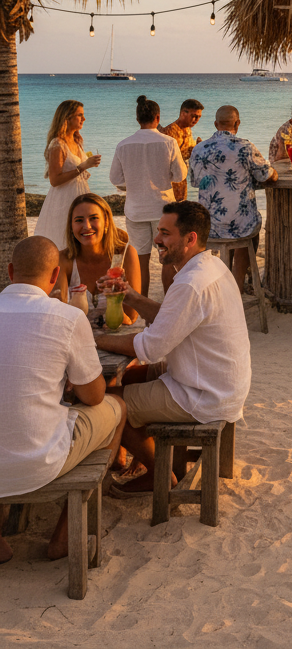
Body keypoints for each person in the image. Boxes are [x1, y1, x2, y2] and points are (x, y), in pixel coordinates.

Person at [94, 202, 251, 494]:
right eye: (158, 232)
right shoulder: (211, 265)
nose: (156, 240)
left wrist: (93, 339)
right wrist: (130, 296)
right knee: (128, 378)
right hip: (218, 379)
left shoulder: (191, 283)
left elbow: (149, 348)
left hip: (205, 394)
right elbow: (172, 319)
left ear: (190, 239)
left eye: (165, 233)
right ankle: (143, 456)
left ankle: (160, 473)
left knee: (111, 403)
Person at [0, 237, 126, 563]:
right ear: (56, 276)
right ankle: (65, 534)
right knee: (117, 408)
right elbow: (94, 395)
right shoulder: (67, 317)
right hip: (37, 464)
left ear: (10, 271)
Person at [188, 105, 277, 293]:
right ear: (237, 123)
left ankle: (223, 283)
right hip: (240, 226)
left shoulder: (198, 149)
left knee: (239, 226)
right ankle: (236, 288)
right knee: (248, 229)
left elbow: (196, 182)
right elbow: (268, 176)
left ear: (215, 124)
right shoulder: (245, 147)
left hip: (208, 227)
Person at [109, 95, 186, 299]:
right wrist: (164, 176)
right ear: (158, 117)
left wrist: (133, 185)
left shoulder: (123, 145)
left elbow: (115, 178)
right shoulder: (168, 142)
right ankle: (168, 304)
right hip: (163, 209)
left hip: (136, 210)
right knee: (167, 258)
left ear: (137, 119)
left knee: (141, 263)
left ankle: (143, 308)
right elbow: (180, 175)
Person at [55, 193, 142, 324]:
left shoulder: (125, 255)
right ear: (71, 226)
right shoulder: (63, 259)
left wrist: (115, 296)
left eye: (93, 218)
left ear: (106, 221)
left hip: (116, 339)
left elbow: (131, 317)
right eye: (79, 220)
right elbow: (59, 315)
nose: (87, 226)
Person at [34, 100, 101, 247]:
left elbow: (79, 169)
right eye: (80, 115)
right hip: (64, 199)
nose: (84, 119)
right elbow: (54, 180)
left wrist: (89, 164)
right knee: (65, 240)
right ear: (67, 117)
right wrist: (83, 166)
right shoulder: (58, 144)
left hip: (81, 194)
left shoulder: (76, 141)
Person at [159, 98, 204, 201]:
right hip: (169, 185)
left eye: (199, 117)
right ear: (183, 113)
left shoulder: (187, 129)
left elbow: (185, 152)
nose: (196, 120)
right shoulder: (171, 132)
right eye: (194, 116)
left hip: (181, 182)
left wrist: (198, 148)